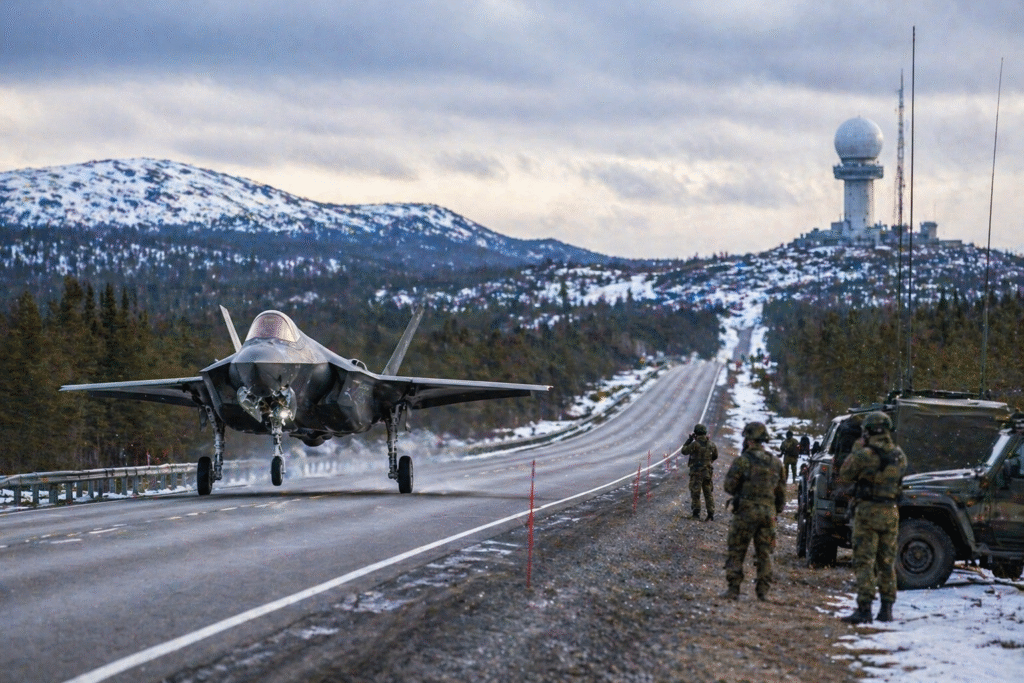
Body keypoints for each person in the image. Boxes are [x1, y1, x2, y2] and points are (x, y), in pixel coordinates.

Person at [838, 411, 908, 624]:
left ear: (868, 431)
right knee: (886, 562)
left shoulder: (864, 455)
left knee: (864, 561)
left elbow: (846, 473)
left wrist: (857, 448)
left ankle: (865, 608)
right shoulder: (899, 455)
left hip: (868, 512)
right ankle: (886, 609)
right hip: (890, 512)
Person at [721, 421, 786, 600]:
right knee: (765, 553)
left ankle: (733, 588)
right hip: (768, 513)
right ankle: (763, 591)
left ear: (748, 439)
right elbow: (781, 494)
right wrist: (774, 510)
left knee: (737, 549)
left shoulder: (743, 461)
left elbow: (729, 486)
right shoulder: (776, 463)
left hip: (746, 512)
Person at [681, 423, 718, 521]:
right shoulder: (711, 444)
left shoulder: (694, 444)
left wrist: (689, 440)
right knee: (708, 493)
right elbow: (715, 456)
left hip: (696, 473)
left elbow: (684, 451)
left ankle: (696, 514)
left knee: (695, 493)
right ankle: (710, 514)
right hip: (707, 473)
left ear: (696, 433)